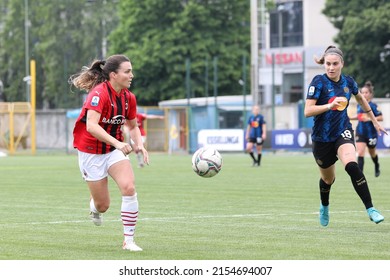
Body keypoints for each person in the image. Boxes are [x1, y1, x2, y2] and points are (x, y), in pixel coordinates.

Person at [69, 54, 148, 251]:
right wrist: (119, 143)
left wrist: (139, 144)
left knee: (129, 188)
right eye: (127, 71)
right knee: (103, 205)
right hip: (90, 152)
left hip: (112, 151)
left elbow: (133, 126)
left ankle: (128, 241)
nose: (132, 75)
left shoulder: (129, 98)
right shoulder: (99, 94)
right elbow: (92, 126)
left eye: (131, 71)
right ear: (113, 74)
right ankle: (94, 206)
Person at [304, 45, 387, 227]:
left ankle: (371, 209)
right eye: (328, 64)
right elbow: (307, 111)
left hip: (343, 132)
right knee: (328, 179)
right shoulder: (318, 82)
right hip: (321, 138)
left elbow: (361, 99)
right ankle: (324, 206)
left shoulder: (349, 82)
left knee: (352, 165)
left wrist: (374, 121)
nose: (331, 67)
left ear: (342, 63)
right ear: (324, 64)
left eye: (335, 64)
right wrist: (329, 105)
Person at [350, 81, 383, 177]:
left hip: (371, 133)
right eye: (362, 92)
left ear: (371, 94)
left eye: (366, 92)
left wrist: (369, 118)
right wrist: (350, 118)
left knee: (372, 153)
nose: (364, 94)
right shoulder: (359, 104)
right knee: (360, 152)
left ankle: (376, 165)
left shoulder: (373, 106)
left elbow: (381, 117)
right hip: (360, 131)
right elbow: (360, 116)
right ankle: (360, 176)